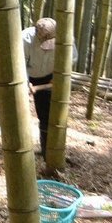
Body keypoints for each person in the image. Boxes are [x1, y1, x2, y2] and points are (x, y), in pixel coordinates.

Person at [22, 17, 75, 155]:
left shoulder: (65, 38)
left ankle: (48, 151)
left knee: (48, 115)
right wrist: (26, 83)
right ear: (36, 34)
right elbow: (20, 64)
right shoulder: (25, 39)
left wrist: (59, 76)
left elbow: (73, 58)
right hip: (30, 76)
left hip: (50, 77)